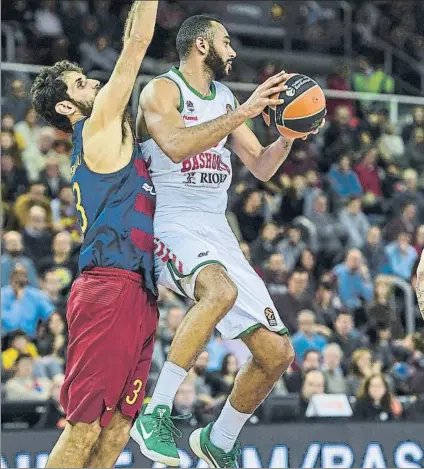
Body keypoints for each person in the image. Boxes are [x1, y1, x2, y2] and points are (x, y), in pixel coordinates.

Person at [133, 14, 323, 468]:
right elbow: (176, 146)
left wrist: (288, 136)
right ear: (202, 45)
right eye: (226, 41)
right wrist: (243, 111)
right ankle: (155, 411)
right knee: (220, 291)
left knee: (277, 353)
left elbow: (260, 165)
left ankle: (219, 438)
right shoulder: (162, 90)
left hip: (217, 227)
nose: (233, 50)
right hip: (172, 221)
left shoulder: (223, 96)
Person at [29, 1, 159, 467]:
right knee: (85, 426)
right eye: (82, 84)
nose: (97, 83)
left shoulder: (113, 131)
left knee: (119, 426)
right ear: (67, 105)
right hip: (109, 287)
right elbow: (138, 41)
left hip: (138, 289)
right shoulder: (98, 124)